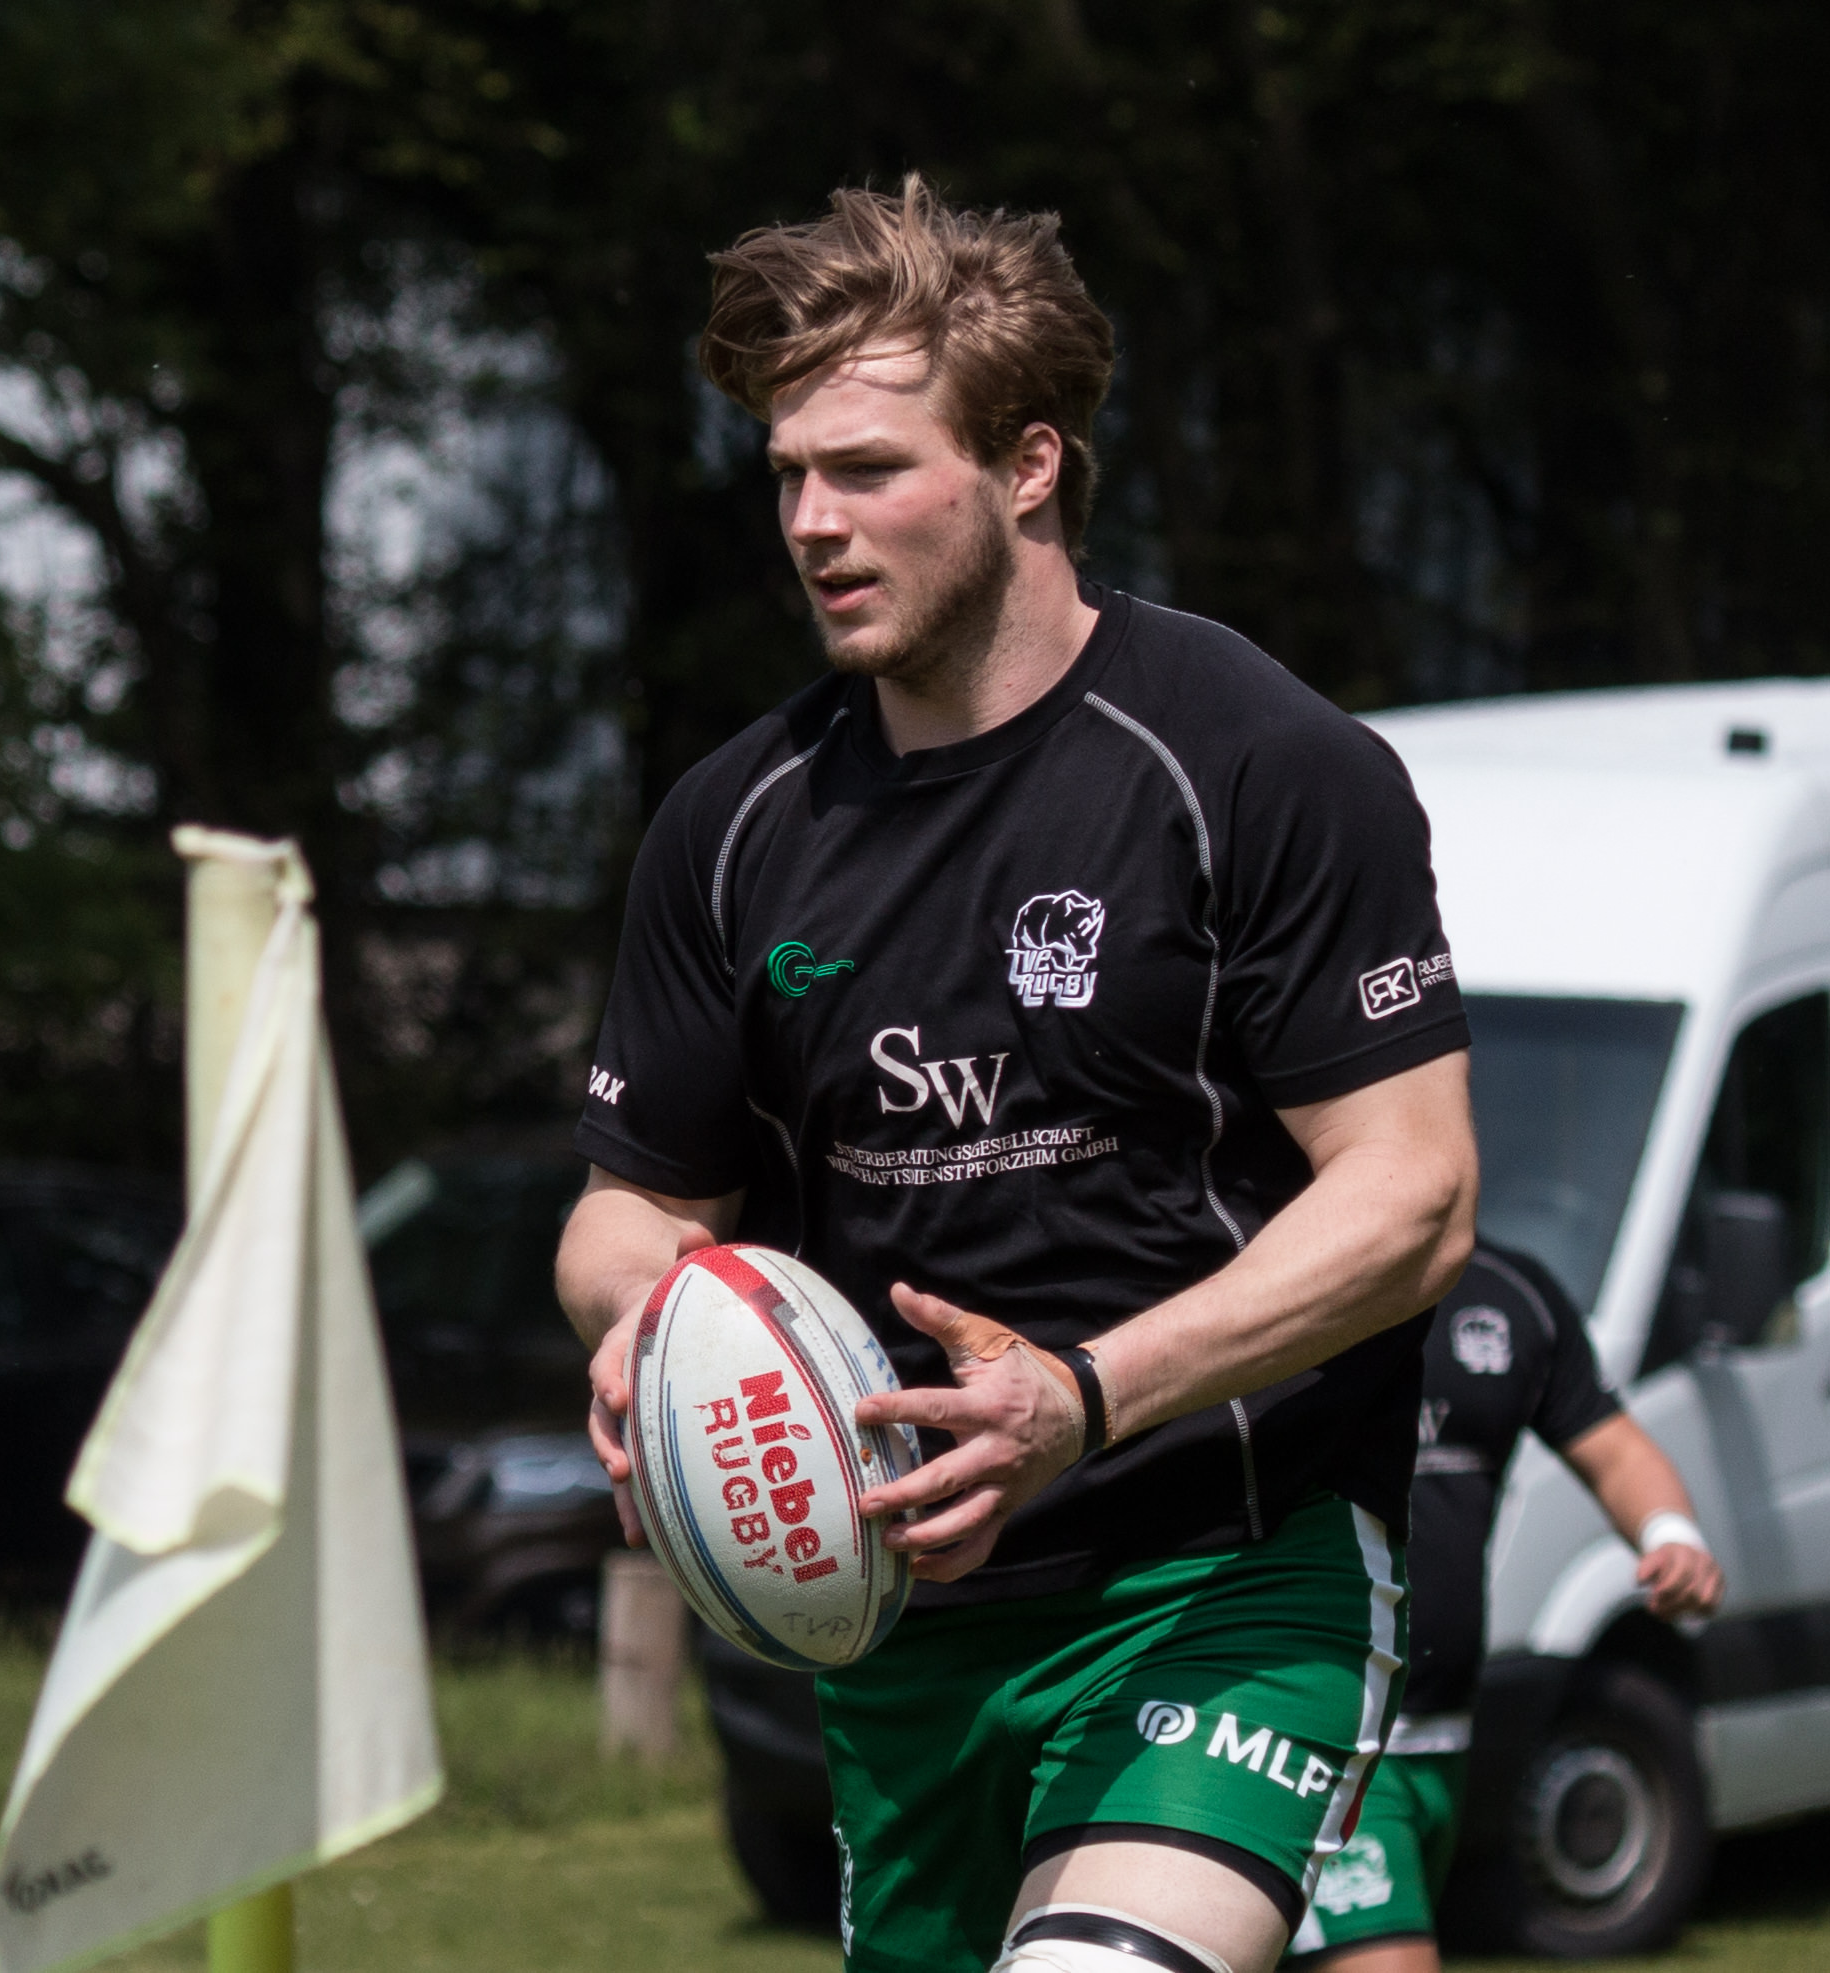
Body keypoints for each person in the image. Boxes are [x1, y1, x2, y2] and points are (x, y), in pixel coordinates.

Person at [556, 177, 1481, 1973]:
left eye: (865, 470)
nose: (810, 523)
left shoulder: (1256, 762)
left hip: (1222, 1573)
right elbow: (629, 1207)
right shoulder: (730, 826)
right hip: (888, 1617)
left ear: (1026, 465)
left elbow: (1412, 1192)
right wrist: (650, 1319)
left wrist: (1079, 1395)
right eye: (785, 476)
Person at [1287, 1244, 1722, 1971]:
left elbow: (1613, 1447)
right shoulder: (1281, 1270)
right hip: (1322, 1727)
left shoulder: (1513, 1293)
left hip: (1445, 1734)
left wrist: (1672, 1536)